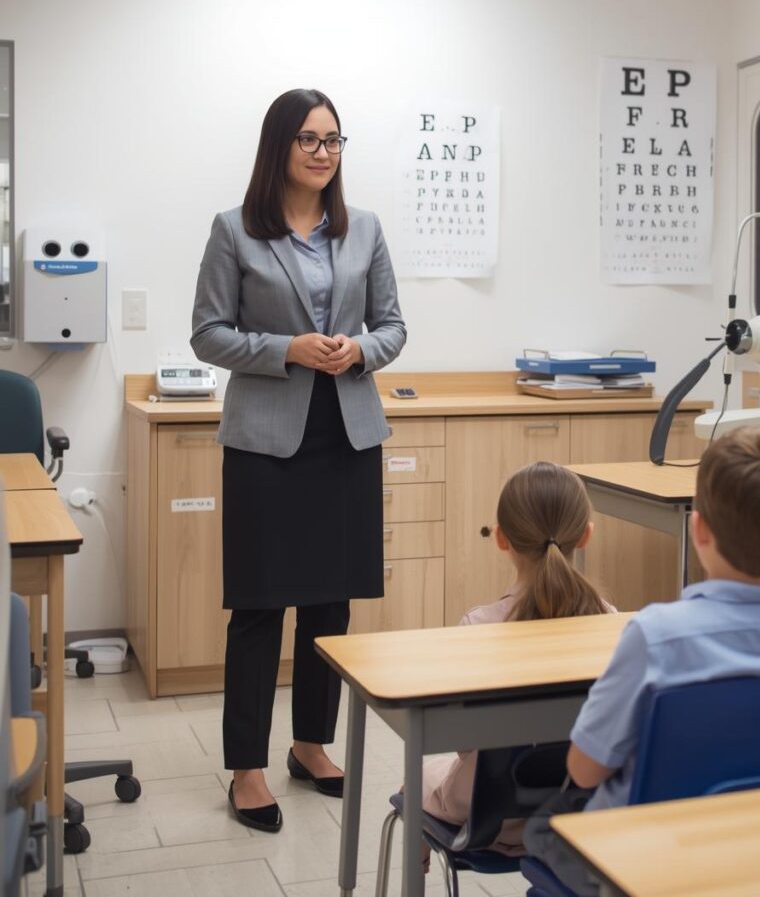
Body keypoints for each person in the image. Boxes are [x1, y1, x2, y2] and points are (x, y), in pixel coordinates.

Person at [191, 88, 406, 833]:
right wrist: (286, 349)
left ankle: (311, 743)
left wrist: (358, 350)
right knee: (258, 606)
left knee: (329, 601)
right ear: (279, 146)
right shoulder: (234, 232)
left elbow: (393, 327)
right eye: (310, 139)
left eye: (334, 140)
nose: (323, 152)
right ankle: (246, 767)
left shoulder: (365, 229)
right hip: (265, 440)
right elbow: (208, 335)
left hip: (345, 433)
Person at [523, 427, 760, 895]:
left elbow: (586, 770)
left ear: (699, 527)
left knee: (541, 829)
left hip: (647, 857)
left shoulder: (656, 635)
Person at [420, 462, 614, 857]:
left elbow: (460, 741)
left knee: (416, 776)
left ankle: (419, 863)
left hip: (488, 814)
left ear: (501, 539)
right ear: (586, 535)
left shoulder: (477, 627)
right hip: (580, 809)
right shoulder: (611, 620)